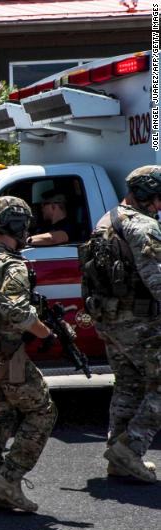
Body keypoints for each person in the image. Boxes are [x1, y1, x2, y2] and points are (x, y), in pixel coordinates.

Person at [0, 196, 59, 512]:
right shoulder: (11, 264)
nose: (26, 232)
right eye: (24, 225)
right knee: (43, 411)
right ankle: (8, 478)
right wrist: (46, 334)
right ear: (14, 225)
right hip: (8, 355)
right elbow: (16, 310)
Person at [83, 165, 161, 482]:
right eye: (157, 199)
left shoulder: (106, 220)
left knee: (129, 385)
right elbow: (156, 280)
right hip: (139, 322)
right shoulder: (142, 227)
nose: (159, 206)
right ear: (144, 193)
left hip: (110, 320)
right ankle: (130, 450)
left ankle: (118, 452)